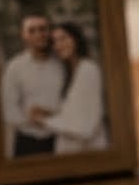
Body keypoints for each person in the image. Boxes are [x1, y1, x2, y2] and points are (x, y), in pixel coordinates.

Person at [29, 21, 107, 154]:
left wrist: (43, 121)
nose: (58, 45)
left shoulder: (88, 70)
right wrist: (49, 113)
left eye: (63, 38)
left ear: (76, 39)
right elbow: (74, 114)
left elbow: (85, 127)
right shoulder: (70, 73)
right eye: (54, 41)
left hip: (88, 157)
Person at [0, 14, 65, 158]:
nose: (38, 34)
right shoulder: (14, 67)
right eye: (32, 30)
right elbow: (8, 107)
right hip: (26, 141)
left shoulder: (61, 65)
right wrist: (31, 120)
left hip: (60, 140)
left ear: (50, 32)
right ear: (23, 35)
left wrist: (51, 116)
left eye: (42, 29)